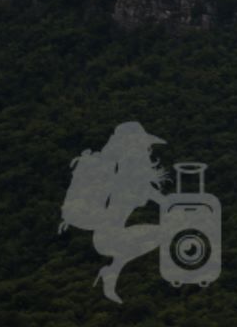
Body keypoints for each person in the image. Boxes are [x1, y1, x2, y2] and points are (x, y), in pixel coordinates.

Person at [59, 122, 169, 302]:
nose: (147, 151)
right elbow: (162, 201)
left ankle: (110, 273)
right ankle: (111, 271)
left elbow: (160, 200)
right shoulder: (130, 181)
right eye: (144, 147)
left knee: (158, 235)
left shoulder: (126, 177)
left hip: (106, 237)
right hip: (110, 238)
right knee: (167, 232)